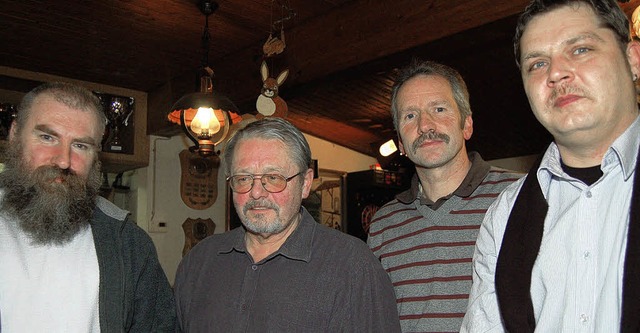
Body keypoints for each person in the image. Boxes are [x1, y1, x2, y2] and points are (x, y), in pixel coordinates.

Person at [461, 0, 640, 331]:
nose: (556, 73)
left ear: (633, 60)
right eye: (538, 63)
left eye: (581, 49)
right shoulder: (504, 216)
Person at [174, 117, 401, 332]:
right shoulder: (198, 262)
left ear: (305, 183)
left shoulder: (353, 267)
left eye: (273, 177)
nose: (256, 192)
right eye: (243, 178)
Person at [0, 82, 176, 331]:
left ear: (97, 154)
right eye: (47, 137)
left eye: (80, 145)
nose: (63, 160)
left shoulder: (129, 245)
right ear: (14, 134)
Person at [366, 59, 522, 332]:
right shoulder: (384, 224)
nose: (426, 125)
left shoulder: (518, 197)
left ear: (467, 125)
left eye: (439, 109)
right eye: (410, 116)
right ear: (401, 142)